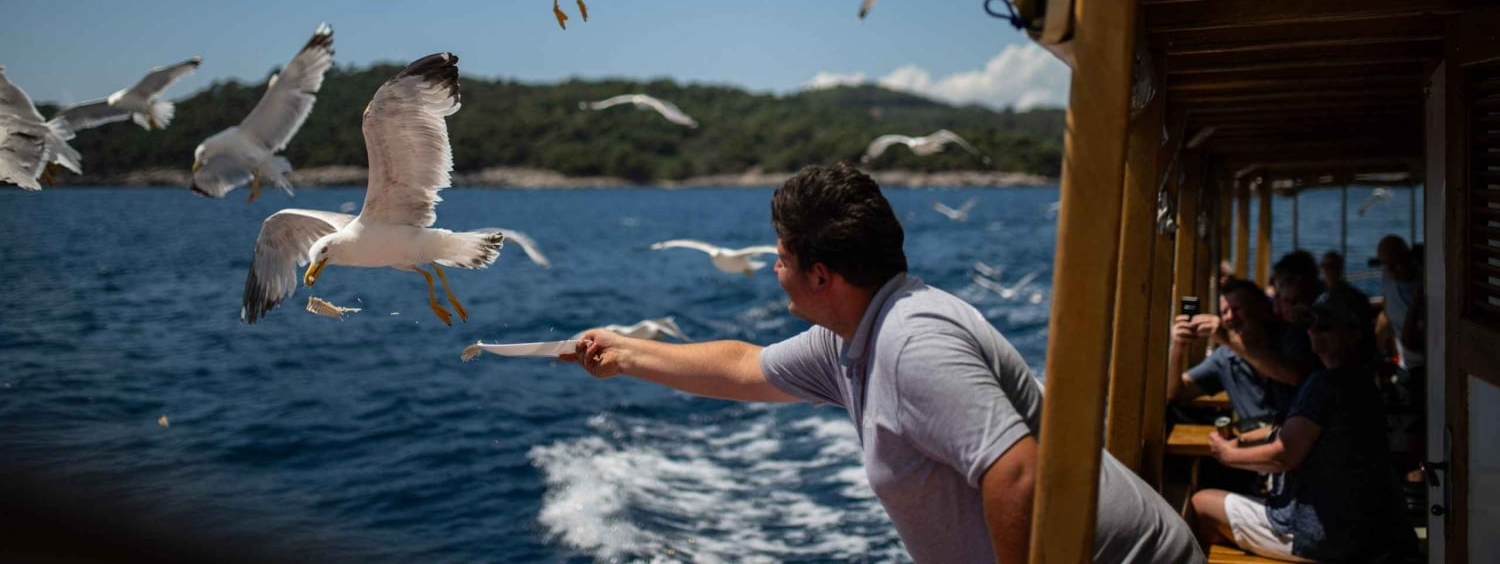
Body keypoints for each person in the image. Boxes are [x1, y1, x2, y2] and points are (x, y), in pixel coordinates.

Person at [565, 162, 1202, 564]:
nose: (774, 269)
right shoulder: (853, 334)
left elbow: (1017, 474)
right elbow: (744, 367)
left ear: (821, 275)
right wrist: (625, 352)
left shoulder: (910, 343)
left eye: (781, 257)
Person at [1189, 285, 1418, 562]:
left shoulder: (1325, 383)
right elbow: (1298, 430)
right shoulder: (1360, 379)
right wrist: (1244, 439)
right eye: (1310, 323)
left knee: (1200, 505)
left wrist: (1228, 455)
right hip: (1364, 532)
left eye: (1325, 326)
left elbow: (1284, 455)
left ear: (1355, 333)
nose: (1313, 331)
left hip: (1323, 538)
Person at [1167, 278, 1312, 430]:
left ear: (1260, 309)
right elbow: (1175, 393)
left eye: (1236, 309)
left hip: (1297, 436)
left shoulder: (1291, 338)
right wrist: (1177, 347)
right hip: (1252, 440)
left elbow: (1296, 376)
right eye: (1224, 312)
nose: (1230, 317)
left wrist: (1229, 340)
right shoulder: (1224, 356)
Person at [1371, 235, 1425, 373]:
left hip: (1423, 365)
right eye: (1385, 266)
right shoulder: (1387, 277)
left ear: (1409, 258)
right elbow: (1387, 305)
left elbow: (1411, 341)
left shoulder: (1425, 285)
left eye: (1395, 264)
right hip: (1403, 362)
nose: (1391, 272)